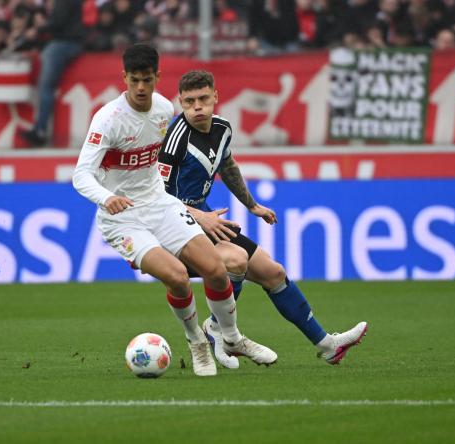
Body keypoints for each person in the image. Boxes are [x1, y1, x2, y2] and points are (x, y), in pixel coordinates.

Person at [72, 44, 277, 377]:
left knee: (215, 268)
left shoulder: (164, 110)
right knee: (178, 276)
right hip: (121, 218)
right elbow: (81, 174)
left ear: (157, 77)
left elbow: (152, 164)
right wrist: (105, 197)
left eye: (147, 80)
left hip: (160, 204)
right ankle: (197, 342)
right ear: (123, 78)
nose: (141, 88)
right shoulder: (107, 119)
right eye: (134, 80)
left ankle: (233, 337)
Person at [158, 70, 368, 369]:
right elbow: (156, 196)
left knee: (274, 273)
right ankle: (218, 330)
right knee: (235, 261)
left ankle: (327, 345)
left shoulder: (222, 128)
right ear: (180, 102)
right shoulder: (174, 139)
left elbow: (226, 165)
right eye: (189, 101)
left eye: (203, 99)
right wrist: (199, 216)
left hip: (204, 220)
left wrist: (251, 204)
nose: (197, 107)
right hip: (173, 227)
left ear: (215, 97)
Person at [21, 0, 85, 147]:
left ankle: (40, 130)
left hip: (64, 43)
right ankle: (40, 129)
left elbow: (58, 23)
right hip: (69, 42)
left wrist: (38, 29)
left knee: (45, 87)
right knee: (47, 86)